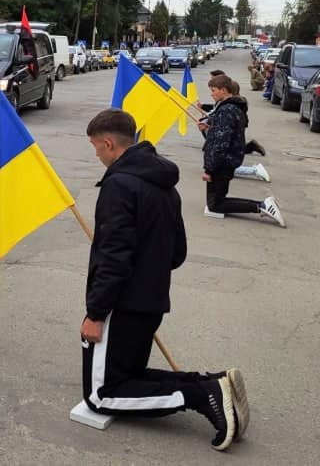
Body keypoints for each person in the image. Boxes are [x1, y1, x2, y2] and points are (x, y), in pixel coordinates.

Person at [82, 108, 249, 452]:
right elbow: (177, 253)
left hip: (121, 305)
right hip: (152, 299)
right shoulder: (163, 183)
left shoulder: (119, 186)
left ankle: (201, 395)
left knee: (103, 395)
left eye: (96, 148)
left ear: (109, 144)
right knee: (129, 375)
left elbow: (113, 258)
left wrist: (96, 314)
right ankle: (213, 384)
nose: (96, 154)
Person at [199, 75, 284, 226]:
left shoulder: (226, 110)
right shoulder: (234, 107)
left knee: (215, 205)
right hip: (228, 160)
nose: (211, 94)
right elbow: (224, 134)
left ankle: (261, 206)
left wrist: (209, 170)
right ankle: (261, 206)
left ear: (223, 90)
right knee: (215, 202)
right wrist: (210, 128)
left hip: (222, 163)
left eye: (213, 90)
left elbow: (220, 144)